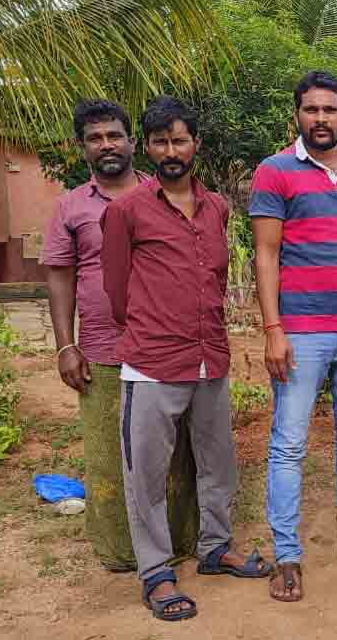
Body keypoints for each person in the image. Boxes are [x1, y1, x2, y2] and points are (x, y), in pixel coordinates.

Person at [101, 96, 271, 622]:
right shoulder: (126, 210)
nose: (170, 151)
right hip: (152, 362)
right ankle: (155, 572)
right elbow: (116, 290)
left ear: (195, 143)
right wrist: (153, 329)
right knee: (146, 475)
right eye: (159, 141)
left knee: (219, 463)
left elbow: (216, 278)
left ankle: (216, 548)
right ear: (145, 147)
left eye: (179, 140)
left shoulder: (217, 206)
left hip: (209, 358)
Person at [249, 71, 337, 604]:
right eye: (310, 110)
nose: (320, 119)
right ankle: (287, 556)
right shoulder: (275, 172)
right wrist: (273, 330)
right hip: (301, 332)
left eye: (330, 110)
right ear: (297, 117)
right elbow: (266, 254)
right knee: (288, 446)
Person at [42, 99, 200, 573]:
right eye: (95, 138)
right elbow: (59, 277)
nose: (106, 145)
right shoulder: (71, 206)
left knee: (173, 454)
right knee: (111, 456)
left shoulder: (166, 193)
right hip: (103, 353)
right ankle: (119, 552)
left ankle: (180, 542)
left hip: (164, 349)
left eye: (114, 135)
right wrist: (66, 346)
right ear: (82, 148)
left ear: (134, 141)